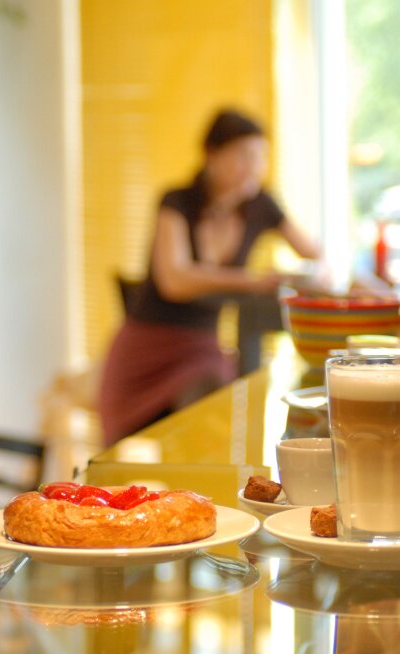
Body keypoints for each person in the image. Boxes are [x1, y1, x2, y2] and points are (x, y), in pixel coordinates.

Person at [98, 109, 321, 446]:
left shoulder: (261, 206)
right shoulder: (176, 202)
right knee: (131, 445)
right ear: (211, 156)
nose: (254, 167)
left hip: (201, 347)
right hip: (147, 346)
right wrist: (251, 280)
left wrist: (314, 277)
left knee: (211, 415)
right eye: (244, 156)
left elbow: (317, 255)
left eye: (261, 156)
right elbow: (175, 280)